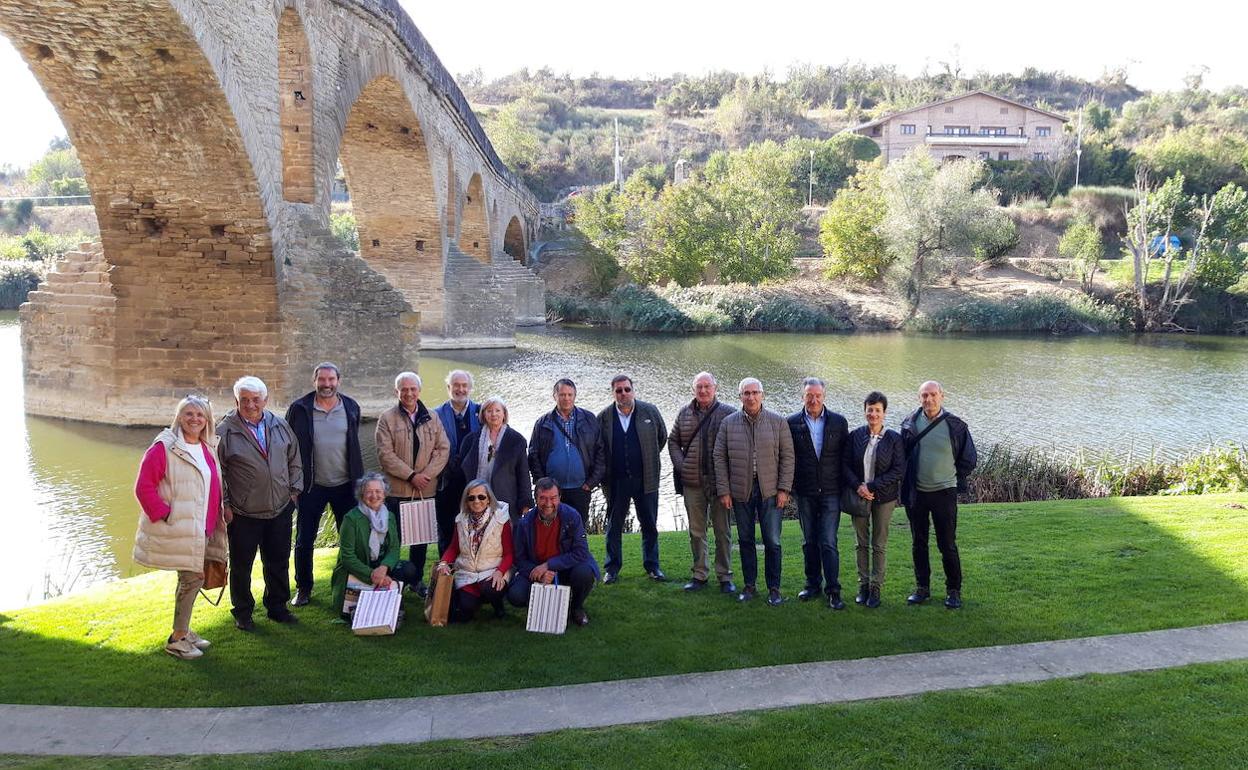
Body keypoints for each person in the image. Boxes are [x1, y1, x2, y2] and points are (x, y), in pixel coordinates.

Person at [133, 395, 227, 659]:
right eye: (189, 414)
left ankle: (183, 631)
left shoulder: (207, 446)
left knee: (190, 580)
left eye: (200, 415)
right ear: (179, 417)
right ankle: (177, 639)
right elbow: (143, 487)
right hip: (182, 528)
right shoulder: (164, 447)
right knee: (192, 579)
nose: (195, 419)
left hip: (204, 527)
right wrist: (166, 515)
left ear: (207, 419)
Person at [216, 376, 303, 630]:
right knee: (241, 566)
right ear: (236, 401)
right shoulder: (224, 431)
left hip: (280, 508)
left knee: (278, 561)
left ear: (265, 400)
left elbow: (294, 458)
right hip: (244, 512)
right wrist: (225, 504)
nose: (250, 405)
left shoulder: (279, 424)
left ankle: (277, 607)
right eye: (244, 400)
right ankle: (243, 613)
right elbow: (218, 472)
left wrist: (294, 491)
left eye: (256, 399)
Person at [285, 362, 364, 607]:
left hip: (345, 486)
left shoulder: (351, 406)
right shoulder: (299, 408)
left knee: (350, 538)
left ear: (338, 381)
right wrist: (293, 484)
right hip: (312, 486)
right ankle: (304, 588)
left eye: (331, 379)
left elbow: (353, 445)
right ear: (314, 381)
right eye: (322, 379)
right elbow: (288, 447)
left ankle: (351, 583)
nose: (326, 384)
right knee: (304, 539)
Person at [713, 377, 794, 606]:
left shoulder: (778, 422)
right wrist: (724, 490)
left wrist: (784, 489)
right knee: (746, 539)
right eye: (746, 393)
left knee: (772, 541)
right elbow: (719, 457)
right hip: (741, 491)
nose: (751, 397)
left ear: (762, 395)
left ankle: (774, 588)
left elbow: (788, 457)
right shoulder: (728, 424)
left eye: (755, 392)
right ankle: (749, 585)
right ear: (740, 397)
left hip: (771, 491)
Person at [900, 380, 977, 610]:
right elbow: (902, 457)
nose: (929, 399)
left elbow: (969, 459)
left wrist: (951, 477)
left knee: (947, 544)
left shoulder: (956, 426)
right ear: (919, 398)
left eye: (933, 394)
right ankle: (922, 588)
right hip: (917, 494)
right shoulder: (909, 424)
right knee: (919, 543)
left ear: (942, 396)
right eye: (924, 395)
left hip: (944, 493)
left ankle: (953, 591)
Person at [376, 371, 451, 598]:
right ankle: (391, 580)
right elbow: (385, 455)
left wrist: (425, 475)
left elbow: (443, 448)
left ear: (419, 390)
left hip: (424, 491)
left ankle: (416, 580)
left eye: (413, 389)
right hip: (398, 492)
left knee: (419, 540)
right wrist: (411, 476)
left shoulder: (432, 417)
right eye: (404, 389)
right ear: (396, 392)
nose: (409, 393)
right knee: (394, 539)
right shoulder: (387, 418)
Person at [669, 371, 737, 594]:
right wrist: (682, 465)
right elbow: (673, 441)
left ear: (715, 388)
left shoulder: (729, 413)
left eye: (707, 386)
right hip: (693, 483)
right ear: (693, 390)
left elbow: (737, 447)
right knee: (697, 532)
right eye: (699, 387)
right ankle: (700, 574)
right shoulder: (684, 413)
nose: (703, 390)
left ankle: (725, 576)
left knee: (722, 532)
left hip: (720, 484)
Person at [597, 374, 668, 583]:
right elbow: (598, 448)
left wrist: (647, 457)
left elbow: (662, 437)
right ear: (613, 393)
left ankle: (652, 566)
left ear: (633, 390)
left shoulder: (650, 411)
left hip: (646, 479)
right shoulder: (604, 417)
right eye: (618, 390)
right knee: (614, 525)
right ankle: (612, 568)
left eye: (627, 389)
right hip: (616, 481)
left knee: (649, 524)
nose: (623, 393)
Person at [787, 377, 850, 610]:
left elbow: (845, 458)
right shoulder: (791, 423)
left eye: (817, 395)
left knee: (828, 541)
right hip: (805, 492)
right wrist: (791, 488)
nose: (813, 400)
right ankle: (812, 584)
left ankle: (833, 590)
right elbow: (788, 458)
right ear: (802, 396)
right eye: (809, 395)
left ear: (824, 396)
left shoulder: (838, 422)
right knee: (809, 541)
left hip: (831, 492)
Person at [842, 391, 906, 609]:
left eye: (878, 410)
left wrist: (871, 486)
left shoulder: (894, 439)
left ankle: (876, 587)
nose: (873, 414)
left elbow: (898, 470)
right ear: (865, 411)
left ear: (884, 413)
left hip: (884, 497)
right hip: (858, 496)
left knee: (878, 544)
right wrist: (859, 487)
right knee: (861, 543)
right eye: (870, 410)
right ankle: (863, 585)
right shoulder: (855, 435)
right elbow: (845, 465)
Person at [509, 478, 599, 627]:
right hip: (537, 569)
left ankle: (576, 607)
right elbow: (519, 559)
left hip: (566, 568)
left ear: (560, 497)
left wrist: (549, 565)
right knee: (515, 595)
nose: (548, 503)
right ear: (536, 499)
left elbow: (581, 552)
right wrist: (539, 572)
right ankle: (541, 607)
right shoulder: (524, 523)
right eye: (543, 498)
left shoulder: (572, 516)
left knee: (584, 574)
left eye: (553, 498)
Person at [329, 472, 420, 616]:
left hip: (380, 567)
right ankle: (384, 596)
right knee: (352, 613)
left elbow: (394, 548)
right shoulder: (351, 519)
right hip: (357, 570)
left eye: (378, 491)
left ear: (384, 494)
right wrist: (371, 574)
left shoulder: (389, 516)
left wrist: (383, 568)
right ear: (361, 495)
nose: (374, 495)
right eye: (369, 492)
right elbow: (347, 557)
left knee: (409, 569)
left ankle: (388, 596)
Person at [435, 479, 513, 622]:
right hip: (468, 573)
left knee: (491, 589)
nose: (476, 501)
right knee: (465, 609)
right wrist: (444, 562)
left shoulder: (501, 519)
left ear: (489, 499)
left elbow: (509, 553)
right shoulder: (461, 520)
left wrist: (500, 571)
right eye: (471, 498)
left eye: (481, 497)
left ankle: (498, 605)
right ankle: (475, 601)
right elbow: (453, 547)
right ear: (466, 501)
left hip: (492, 570)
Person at [527, 378, 604, 523]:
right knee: (552, 528)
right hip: (552, 491)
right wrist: (542, 482)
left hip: (581, 488)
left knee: (578, 528)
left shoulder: (589, 419)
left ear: (575, 396)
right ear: (554, 396)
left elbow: (600, 451)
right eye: (562, 395)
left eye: (570, 394)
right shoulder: (543, 423)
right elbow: (533, 455)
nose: (566, 398)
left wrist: (592, 482)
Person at [459, 396, 532, 522]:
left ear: (504, 414)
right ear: (483, 414)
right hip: (477, 500)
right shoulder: (470, 440)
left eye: (497, 410)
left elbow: (523, 474)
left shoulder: (517, 440)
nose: (494, 414)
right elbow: (463, 471)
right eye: (489, 411)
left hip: (507, 499)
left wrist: (525, 504)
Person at [433, 370, 480, 554]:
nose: (460, 389)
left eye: (464, 385)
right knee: (447, 527)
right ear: (448, 388)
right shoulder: (435, 414)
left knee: (473, 527)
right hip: (446, 481)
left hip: (473, 480)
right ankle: (445, 567)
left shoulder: (481, 412)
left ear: (470, 388)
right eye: (456, 385)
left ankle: (470, 565)